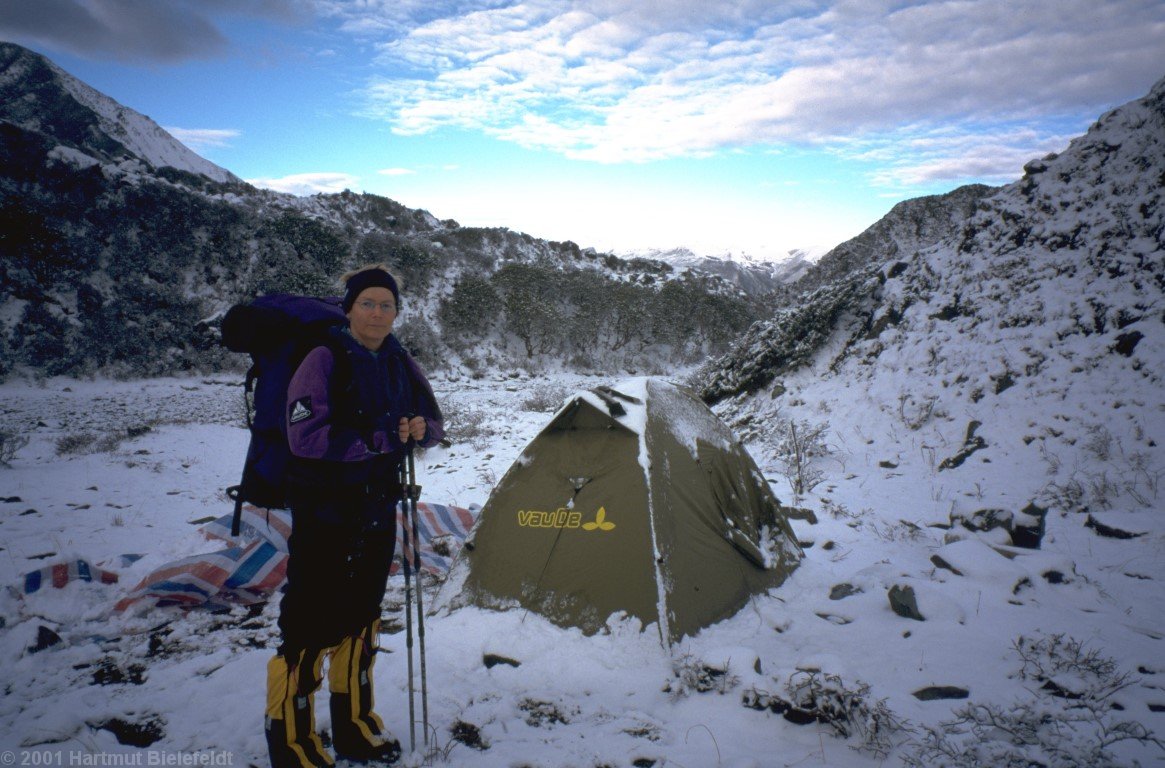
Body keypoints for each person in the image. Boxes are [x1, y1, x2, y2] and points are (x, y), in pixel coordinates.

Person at [264, 265, 444, 768]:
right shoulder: (322, 358)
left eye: (387, 305)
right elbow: (305, 437)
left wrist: (418, 427)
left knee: (363, 609)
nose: (378, 313)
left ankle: (354, 726)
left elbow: (434, 425)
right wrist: (383, 439)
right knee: (308, 615)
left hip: (377, 505)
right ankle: (291, 739)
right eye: (368, 303)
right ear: (348, 308)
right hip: (324, 508)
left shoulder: (398, 361)